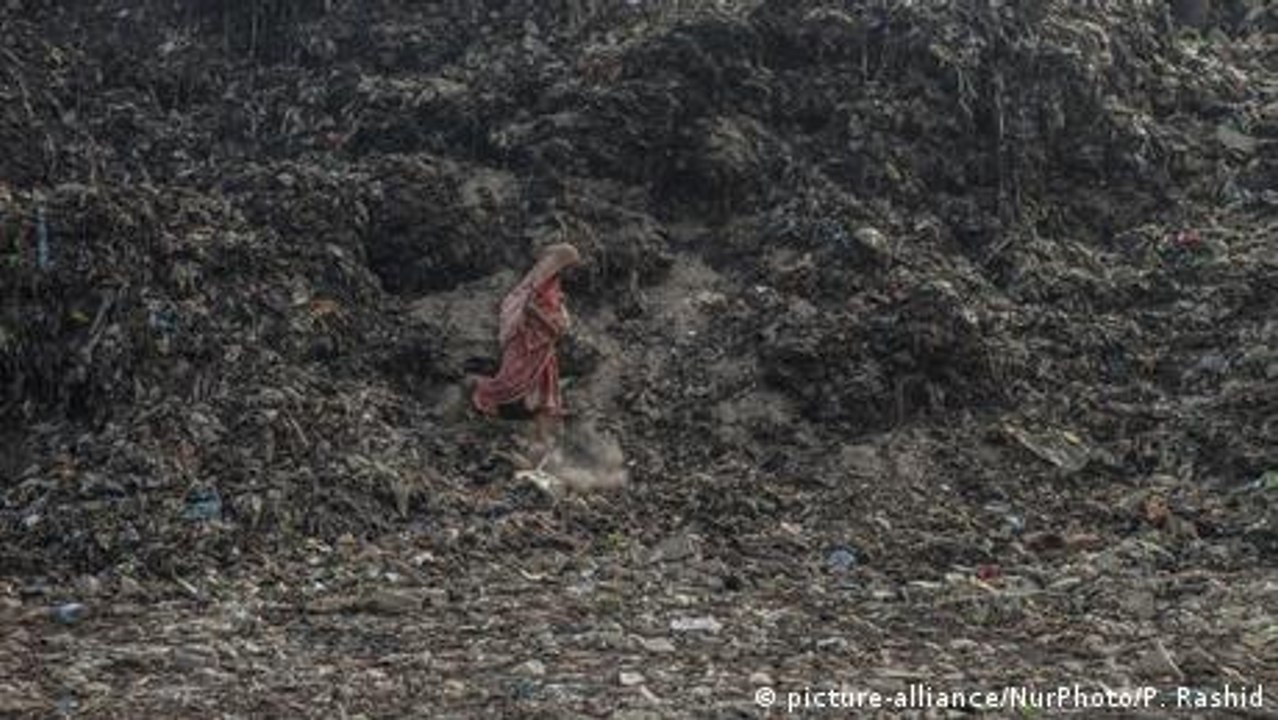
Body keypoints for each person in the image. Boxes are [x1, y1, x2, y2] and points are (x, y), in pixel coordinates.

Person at [471, 243, 581, 451]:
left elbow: (553, 309)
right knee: (512, 379)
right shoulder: (538, 283)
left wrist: (558, 319)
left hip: (544, 343)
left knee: (544, 384)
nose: (570, 272)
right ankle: (482, 395)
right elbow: (528, 307)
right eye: (568, 266)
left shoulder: (554, 284)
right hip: (527, 340)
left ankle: (543, 438)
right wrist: (550, 324)